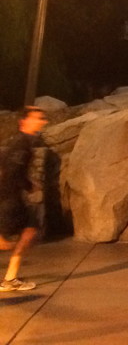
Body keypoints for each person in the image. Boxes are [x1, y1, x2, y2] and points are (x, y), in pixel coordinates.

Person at [0, 106, 49, 292]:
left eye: (42, 118)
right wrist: (27, 186)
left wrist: (29, 185)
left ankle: (10, 279)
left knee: (29, 230)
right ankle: (9, 279)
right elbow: (12, 173)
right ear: (24, 122)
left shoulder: (20, 143)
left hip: (10, 196)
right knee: (27, 231)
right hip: (9, 197)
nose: (42, 121)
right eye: (37, 118)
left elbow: (10, 169)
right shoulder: (21, 145)